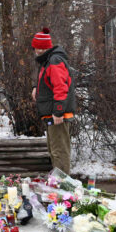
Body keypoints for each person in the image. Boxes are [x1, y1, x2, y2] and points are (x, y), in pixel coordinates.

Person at [31, 28, 76, 174]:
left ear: (46, 48)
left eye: (40, 48)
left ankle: (63, 188)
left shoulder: (54, 60)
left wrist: (58, 112)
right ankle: (58, 184)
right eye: (36, 47)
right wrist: (36, 88)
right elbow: (48, 83)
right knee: (54, 149)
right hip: (51, 114)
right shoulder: (48, 62)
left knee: (59, 151)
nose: (37, 51)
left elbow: (60, 87)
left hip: (57, 115)